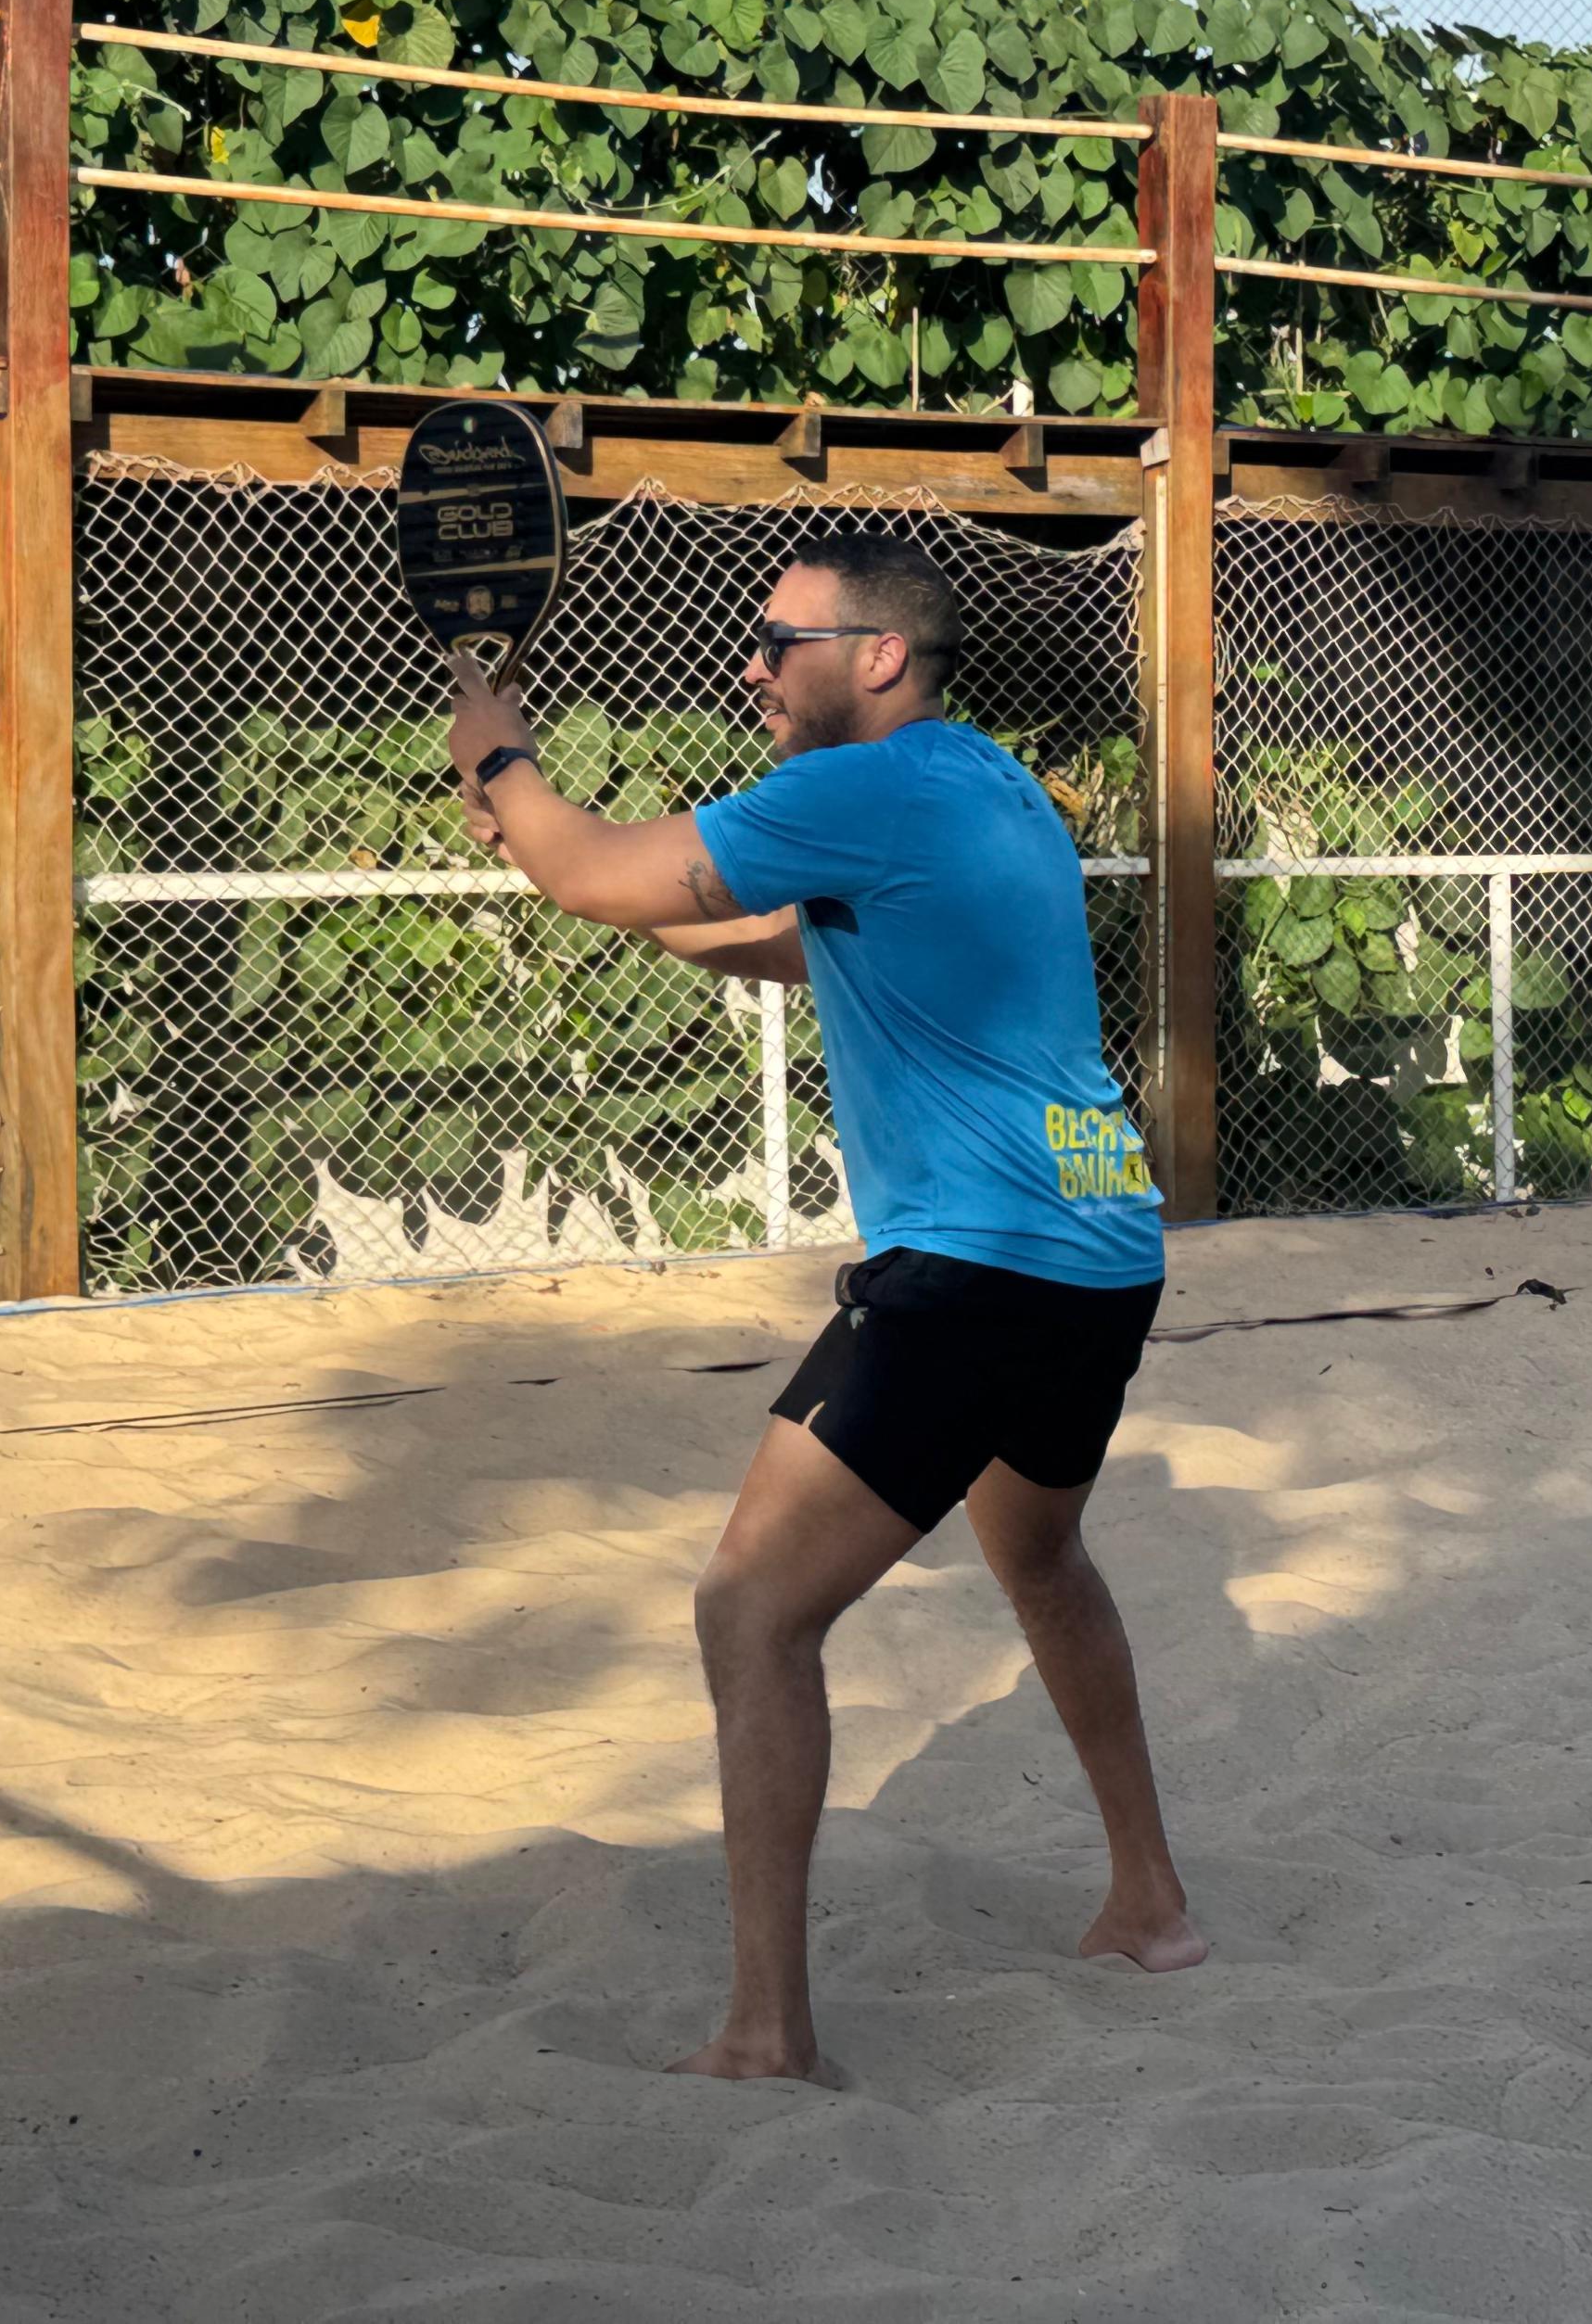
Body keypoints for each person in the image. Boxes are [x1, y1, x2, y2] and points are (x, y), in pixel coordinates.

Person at [445, 529, 1204, 2084]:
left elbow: (599, 867)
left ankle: (767, 2031)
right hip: (1102, 1246)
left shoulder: (863, 786)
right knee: (1041, 1552)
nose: (751, 665)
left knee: (752, 1607)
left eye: (776, 639)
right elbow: (781, 940)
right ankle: (1148, 1900)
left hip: (979, 1265)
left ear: (874, 656)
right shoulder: (984, 786)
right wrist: (555, 853)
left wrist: (502, 754)